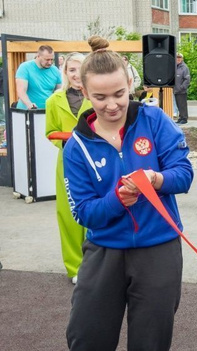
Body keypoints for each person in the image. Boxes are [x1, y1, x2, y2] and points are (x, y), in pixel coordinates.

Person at [63, 36, 193, 351]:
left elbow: (184, 174)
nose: (112, 105)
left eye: (119, 94)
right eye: (100, 96)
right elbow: (83, 212)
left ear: (130, 83)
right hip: (104, 250)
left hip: (158, 249)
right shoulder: (76, 146)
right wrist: (117, 200)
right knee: (86, 338)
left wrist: (156, 179)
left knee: (151, 342)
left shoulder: (155, 120)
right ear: (84, 92)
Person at [45, 52, 91, 284]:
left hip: (95, 163)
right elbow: (50, 131)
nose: (76, 75)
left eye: (79, 69)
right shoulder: (53, 101)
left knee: (94, 212)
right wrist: (64, 139)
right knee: (69, 213)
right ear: (65, 73)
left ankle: (96, 263)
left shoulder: (96, 97)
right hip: (67, 164)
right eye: (71, 70)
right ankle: (75, 268)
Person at [15, 45, 62, 109]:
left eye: (52, 59)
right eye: (47, 59)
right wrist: (29, 104)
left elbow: (60, 91)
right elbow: (21, 91)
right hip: (27, 111)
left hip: (48, 110)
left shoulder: (55, 70)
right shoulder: (25, 67)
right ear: (38, 56)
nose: (50, 62)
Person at [174, 52, 190, 125]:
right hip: (175, 90)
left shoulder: (184, 67)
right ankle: (180, 117)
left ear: (182, 58)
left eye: (179, 57)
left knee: (182, 105)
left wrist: (182, 87)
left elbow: (187, 79)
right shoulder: (174, 67)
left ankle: (184, 118)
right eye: (177, 57)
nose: (178, 59)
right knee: (178, 105)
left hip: (181, 90)